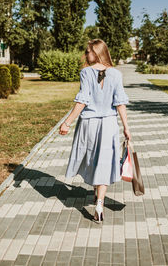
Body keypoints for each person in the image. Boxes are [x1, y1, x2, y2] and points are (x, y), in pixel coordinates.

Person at [59, 39, 131, 223]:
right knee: (104, 161)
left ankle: (96, 195)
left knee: (91, 158)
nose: (86, 55)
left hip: (89, 124)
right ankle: (99, 203)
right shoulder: (116, 74)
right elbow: (120, 103)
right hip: (109, 124)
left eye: (88, 51)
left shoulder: (85, 72)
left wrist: (67, 122)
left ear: (96, 52)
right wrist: (126, 128)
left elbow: (82, 100)